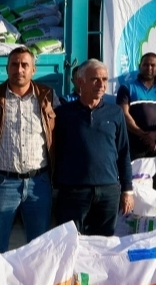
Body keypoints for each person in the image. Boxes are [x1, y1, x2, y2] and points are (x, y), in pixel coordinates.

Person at [0, 46, 56, 252]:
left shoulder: (47, 96)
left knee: (39, 247)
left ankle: (34, 275)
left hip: (39, 184)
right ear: (7, 68)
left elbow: (61, 131)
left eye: (25, 65)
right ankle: (0, 275)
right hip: (2, 184)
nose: (19, 69)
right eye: (14, 64)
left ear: (33, 69)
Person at [54, 59, 134, 236]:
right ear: (80, 82)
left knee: (103, 244)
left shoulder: (115, 112)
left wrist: (127, 190)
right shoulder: (63, 114)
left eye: (104, 79)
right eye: (95, 79)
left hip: (108, 192)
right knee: (69, 242)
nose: (101, 84)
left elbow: (123, 152)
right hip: (73, 192)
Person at [117, 53, 156, 160]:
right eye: (145, 65)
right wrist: (143, 135)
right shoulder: (126, 88)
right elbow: (123, 114)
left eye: (153, 65)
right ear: (140, 66)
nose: (149, 68)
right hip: (134, 145)